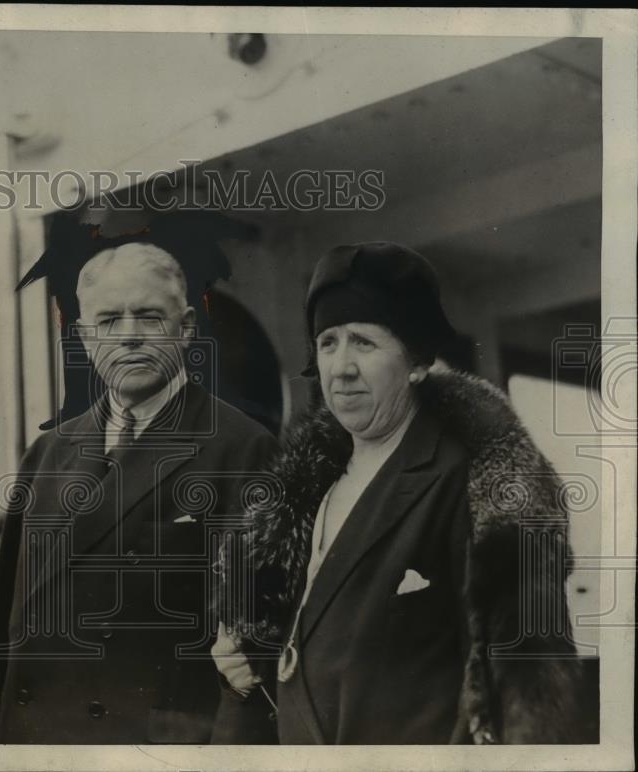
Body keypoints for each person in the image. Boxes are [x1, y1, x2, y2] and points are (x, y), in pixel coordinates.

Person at [212, 242, 590, 744]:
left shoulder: (469, 485)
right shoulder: (300, 495)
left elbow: (523, 694)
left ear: (416, 363)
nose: (341, 367)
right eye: (328, 343)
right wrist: (239, 662)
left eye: (364, 343)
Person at [0, 241, 279, 743]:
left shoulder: (243, 450)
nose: (128, 338)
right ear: (82, 336)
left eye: (148, 317)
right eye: (107, 321)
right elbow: (4, 625)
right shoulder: (48, 453)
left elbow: (254, 652)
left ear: (186, 327)